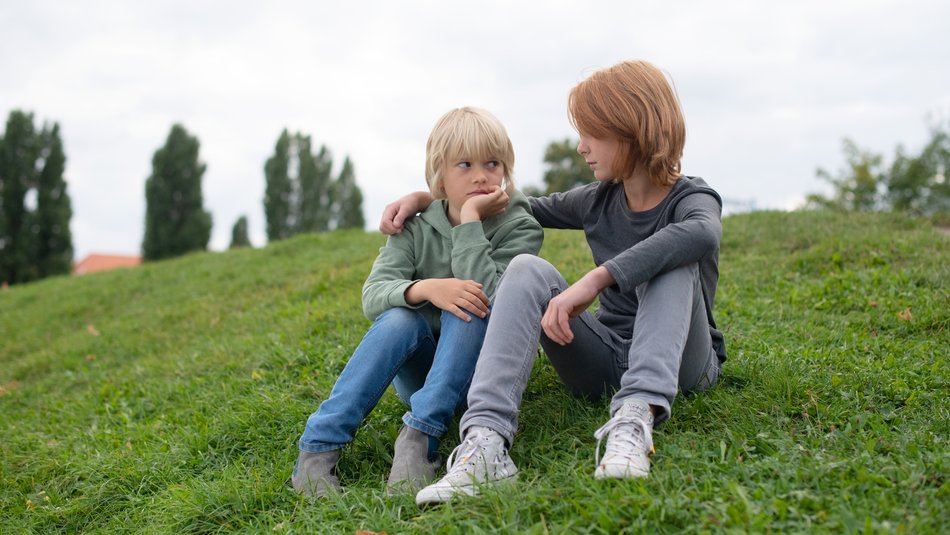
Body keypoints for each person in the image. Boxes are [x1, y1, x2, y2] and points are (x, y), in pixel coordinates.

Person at [378, 60, 727, 506]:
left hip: (682, 365)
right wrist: (427, 197)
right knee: (524, 267)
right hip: (604, 361)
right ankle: (485, 442)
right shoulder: (597, 199)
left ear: (630, 128)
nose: (581, 147)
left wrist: (596, 280)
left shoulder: (692, 200)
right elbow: (505, 204)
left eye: (590, 134)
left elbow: (700, 234)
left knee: (672, 256)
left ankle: (635, 416)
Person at [292, 107, 543, 497]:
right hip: (423, 372)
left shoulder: (518, 224)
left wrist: (472, 221)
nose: (481, 175)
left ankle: (418, 441)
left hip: (482, 376)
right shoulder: (415, 223)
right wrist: (425, 289)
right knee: (399, 319)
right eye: (464, 164)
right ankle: (318, 448)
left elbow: (496, 300)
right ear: (440, 173)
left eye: (492, 163)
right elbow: (373, 295)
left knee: (470, 302)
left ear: (506, 168)